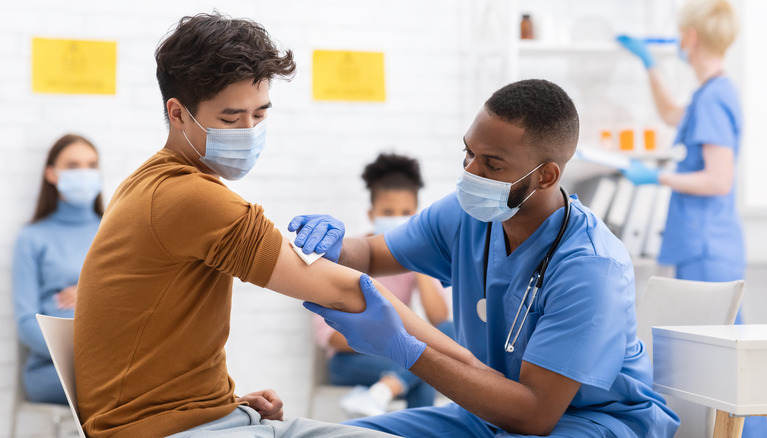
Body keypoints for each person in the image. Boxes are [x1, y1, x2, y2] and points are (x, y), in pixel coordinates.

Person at [72, 12, 482, 438]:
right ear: (177, 113)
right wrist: (475, 371)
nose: (249, 132)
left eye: (260, 115)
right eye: (231, 119)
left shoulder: (150, 183)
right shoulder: (188, 197)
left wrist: (223, 401)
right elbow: (346, 290)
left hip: (202, 417)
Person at [290, 79, 680, 437]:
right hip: (490, 416)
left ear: (546, 176)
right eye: (469, 153)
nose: (469, 173)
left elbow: (536, 415)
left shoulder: (592, 268)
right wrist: (337, 245)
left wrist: (408, 350)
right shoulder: (467, 217)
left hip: (586, 423)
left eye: (492, 164)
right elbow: (373, 255)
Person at [617, 2, 767, 436]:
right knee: (721, 358)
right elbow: (671, 115)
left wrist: (657, 176)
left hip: (708, 245)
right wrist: (649, 65)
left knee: (724, 363)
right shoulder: (711, 93)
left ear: (690, 38)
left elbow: (719, 179)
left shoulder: (715, 96)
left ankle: (752, 433)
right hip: (703, 243)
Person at [314, 153, 455, 418]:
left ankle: (382, 392)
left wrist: (415, 260)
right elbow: (328, 336)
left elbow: (439, 320)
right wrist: (388, 341)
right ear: (371, 213)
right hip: (349, 362)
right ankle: (389, 392)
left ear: (416, 216)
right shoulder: (345, 255)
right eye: (388, 213)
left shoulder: (414, 258)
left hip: (395, 355)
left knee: (447, 336)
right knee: (424, 365)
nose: (396, 219)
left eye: (405, 214)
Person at [12, 134, 103, 405]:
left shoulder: (115, 232)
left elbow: (139, 300)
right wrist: (84, 355)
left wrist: (89, 292)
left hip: (111, 361)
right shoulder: (32, 237)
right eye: (73, 166)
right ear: (51, 174)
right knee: (116, 388)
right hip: (51, 369)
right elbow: (26, 322)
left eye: (91, 165)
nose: (84, 173)